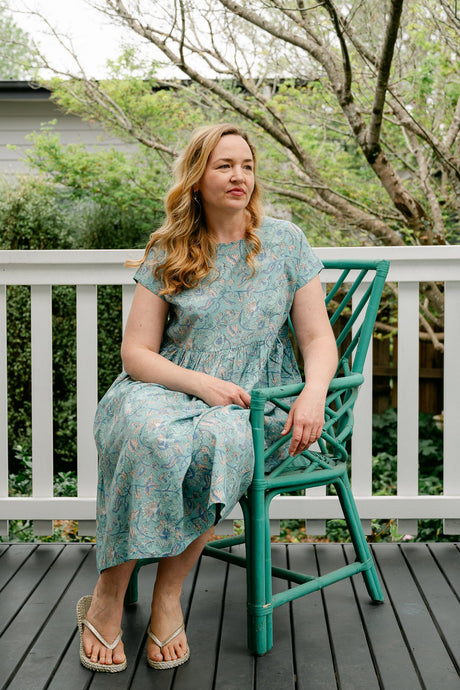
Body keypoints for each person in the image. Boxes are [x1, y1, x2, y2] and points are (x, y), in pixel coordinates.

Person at [76, 123, 338, 673]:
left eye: (246, 165)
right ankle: (108, 591)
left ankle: (168, 596)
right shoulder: (170, 248)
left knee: (217, 440)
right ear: (197, 178)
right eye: (224, 166)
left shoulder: (286, 242)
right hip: (166, 386)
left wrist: (312, 396)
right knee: (149, 436)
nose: (239, 176)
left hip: (252, 400)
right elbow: (137, 353)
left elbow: (317, 339)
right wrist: (199, 384)